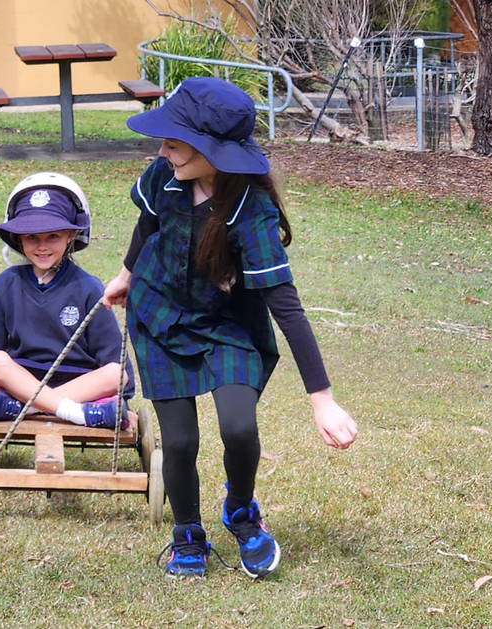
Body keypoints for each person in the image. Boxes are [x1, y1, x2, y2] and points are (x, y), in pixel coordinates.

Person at [103, 77, 358, 579]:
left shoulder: (251, 212)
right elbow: (147, 225)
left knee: (239, 427)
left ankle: (241, 510)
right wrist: (126, 276)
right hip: (158, 318)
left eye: (175, 141)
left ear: (212, 148)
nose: (163, 149)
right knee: (178, 443)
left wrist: (322, 398)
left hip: (228, 326)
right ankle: (188, 536)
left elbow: (286, 307)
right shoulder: (163, 175)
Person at [0, 172, 134, 430]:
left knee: (114, 374)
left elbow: (111, 352)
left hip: (79, 385)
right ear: (18, 239)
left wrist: (125, 406)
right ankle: (75, 413)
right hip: (21, 382)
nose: (42, 246)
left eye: (53, 236)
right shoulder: (7, 283)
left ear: (70, 236)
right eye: (32, 237)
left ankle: (25, 410)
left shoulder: (87, 286)